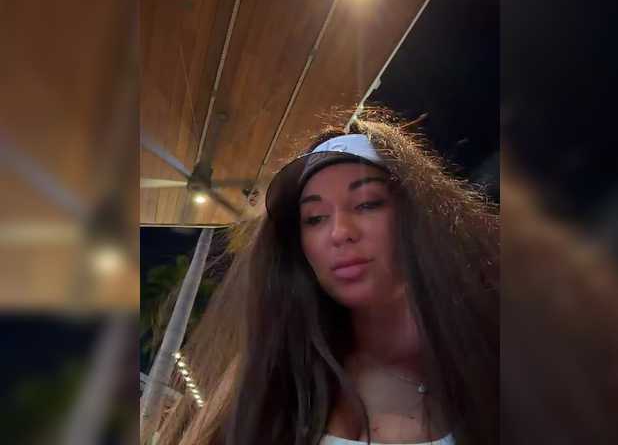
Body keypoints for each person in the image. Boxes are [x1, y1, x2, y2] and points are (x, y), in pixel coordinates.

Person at [158, 116, 499, 445]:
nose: (339, 232)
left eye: (366, 204)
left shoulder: (493, 353)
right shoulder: (269, 377)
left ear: (417, 215)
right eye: (315, 218)